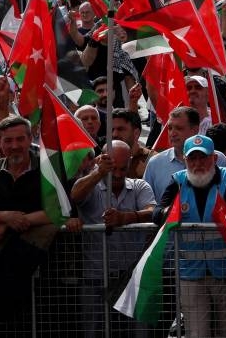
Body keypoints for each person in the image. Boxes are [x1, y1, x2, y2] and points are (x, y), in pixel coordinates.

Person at [153, 135, 226, 338]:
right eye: (192, 159)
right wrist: (169, 212)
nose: (198, 163)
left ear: (213, 158)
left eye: (203, 158)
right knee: (197, 333)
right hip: (190, 273)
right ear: (185, 160)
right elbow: (158, 213)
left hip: (225, 271)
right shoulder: (177, 181)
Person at [0, 116, 56, 325]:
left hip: (38, 258)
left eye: (20, 139)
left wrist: (6, 224)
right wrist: (5, 216)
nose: (14, 146)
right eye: (8, 141)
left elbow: (54, 212)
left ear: (30, 139)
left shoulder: (48, 167)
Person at [70, 140, 156, 338]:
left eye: (123, 168)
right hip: (95, 275)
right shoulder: (90, 184)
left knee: (138, 331)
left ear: (130, 162)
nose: (117, 174)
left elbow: (153, 210)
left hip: (131, 274)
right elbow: (75, 195)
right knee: (93, 329)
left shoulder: (138, 186)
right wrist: (99, 173)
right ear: (102, 160)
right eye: (113, 168)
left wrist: (127, 217)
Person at [142, 106, 226, 200]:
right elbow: (147, 204)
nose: (173, 133)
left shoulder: (218, 159)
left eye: (179, 128)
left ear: (195, 130)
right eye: (170, 128)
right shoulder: (155, 163)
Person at [110, 108, 155, 179]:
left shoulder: (153, 161)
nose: (114, 134)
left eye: (120, 129)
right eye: (111, 130)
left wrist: (147, 176)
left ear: (136, 133)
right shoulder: (103, 160)